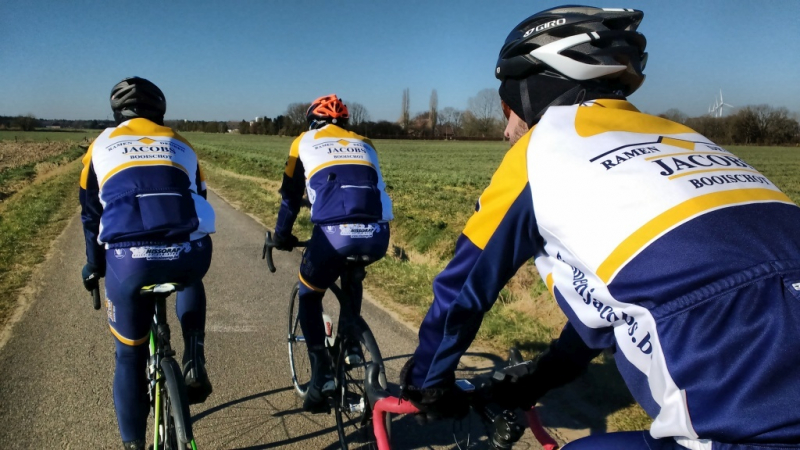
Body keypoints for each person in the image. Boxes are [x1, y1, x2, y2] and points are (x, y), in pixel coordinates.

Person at [402, 6, 800, 450]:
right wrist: (539, 379)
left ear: (530, 89)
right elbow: (619, 304)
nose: (505, 128)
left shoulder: (542, 147)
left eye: (506, 107)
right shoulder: (686, 137)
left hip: (743, 416)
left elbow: (462, 291)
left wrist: (427, 384)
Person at [79, 77, 216, 450]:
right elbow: (199, 199)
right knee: (191, 278)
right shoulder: (182, 144)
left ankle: (134, 444)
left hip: (129, 260)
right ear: (160, 111)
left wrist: (94, 266)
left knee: (128, 355)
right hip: (186, 254)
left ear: (116, 112)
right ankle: (193, 357)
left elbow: (91, 216)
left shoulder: (99, 145)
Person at [273, 94, 393, 412]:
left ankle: (322, 372)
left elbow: (290, 197)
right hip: (378, 234)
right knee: (354, 271)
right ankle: (352, 343)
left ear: (313, 122)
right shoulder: (366, 143)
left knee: (310, 294)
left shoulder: (303, 141)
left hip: (333, 234)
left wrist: (282, 236)